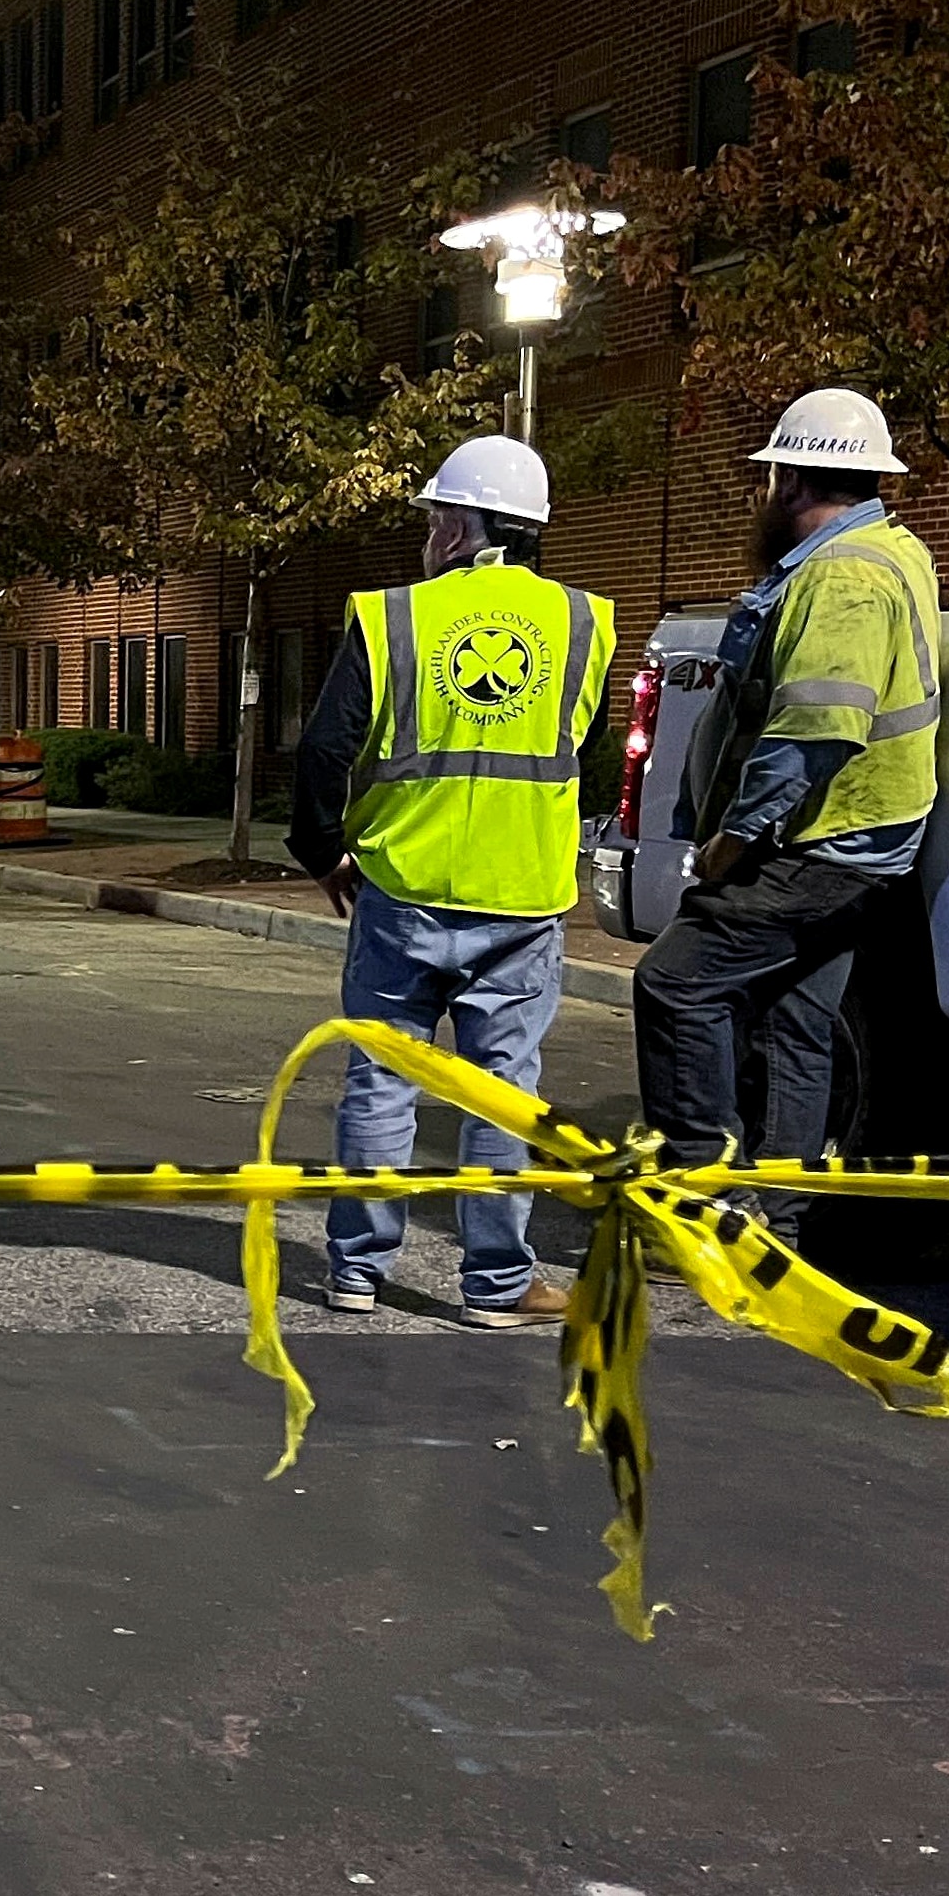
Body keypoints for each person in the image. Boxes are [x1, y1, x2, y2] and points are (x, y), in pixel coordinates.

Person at [287, 432, 617, 1328]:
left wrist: (320, 852)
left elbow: (324, 750)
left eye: (438, 516)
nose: (429, 531)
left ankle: (355, 1272)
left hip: (402, 887)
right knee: (501, 1093)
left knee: (381, 1081)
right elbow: (586, 755)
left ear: (467, 526)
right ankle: (497, 1287)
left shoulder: (396, 617)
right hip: (523, 898)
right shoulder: (584, 623)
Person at [632, 389, 943, 1234]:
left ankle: (703, 1204)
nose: (761, 491)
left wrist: (735, 837)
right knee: (800, 1024)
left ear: (792, 479)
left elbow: (817, 730)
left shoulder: (842, 577)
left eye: (768, 474)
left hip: (814, 842)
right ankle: (778, 1225)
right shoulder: (891, 549)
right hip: (862, 848)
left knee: (675, 985)